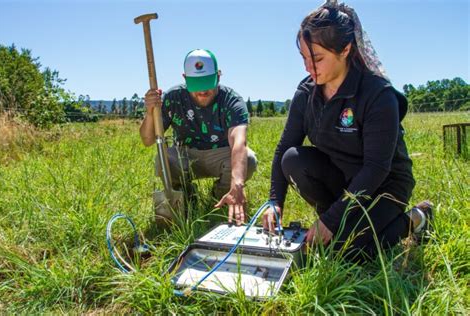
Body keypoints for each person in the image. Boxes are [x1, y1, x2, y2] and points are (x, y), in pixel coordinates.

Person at [262, 1, 432, 261]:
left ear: (345, 49)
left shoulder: (377, 95)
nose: (309, 67)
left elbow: (376, 168)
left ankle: (418, 217)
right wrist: (275, 201)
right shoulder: (306, 92)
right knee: (293, 159)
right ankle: (341, 223)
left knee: (347, 251)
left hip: (383, 185)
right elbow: (285, 147)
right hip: (342, 177)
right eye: (304, 59)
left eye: (317, 58)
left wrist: (331, 220)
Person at [140, 49, 257, 226]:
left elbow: (239, 142)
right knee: (162, 160)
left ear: (218, 76)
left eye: (207, 82)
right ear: (185, 78)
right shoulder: (173, 98)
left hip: (221, 154)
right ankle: (187, 198)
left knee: (247, 158)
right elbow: (148, 140)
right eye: (196, 84)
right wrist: (150, 113)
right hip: (185, 154)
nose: (202, 91)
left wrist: (238, 184)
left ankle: (220, 200)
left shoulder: (232, 100)